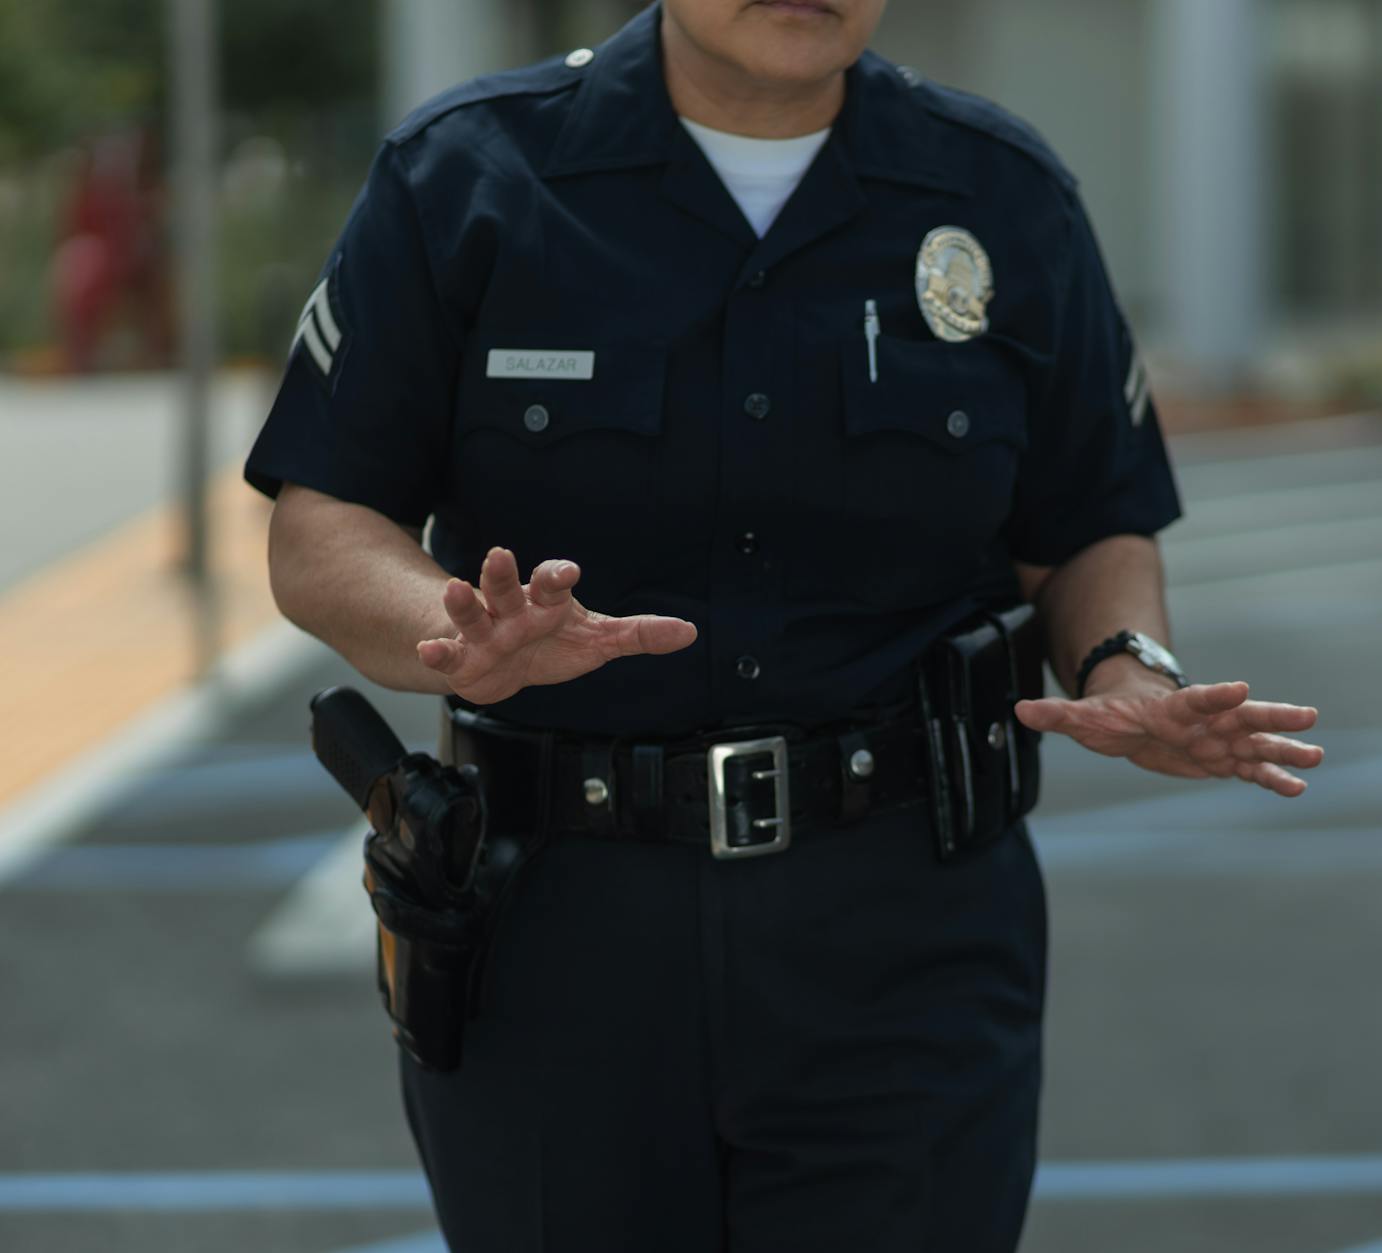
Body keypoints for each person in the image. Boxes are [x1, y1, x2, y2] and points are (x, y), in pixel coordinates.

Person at [246, 1, 1325, 1248]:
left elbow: (1089, 519)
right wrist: (451, 627)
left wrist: (1125, 661)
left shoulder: (1002, 193)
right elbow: (322, 523)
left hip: (901, 928)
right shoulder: (468, 176)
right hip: (555, 931)